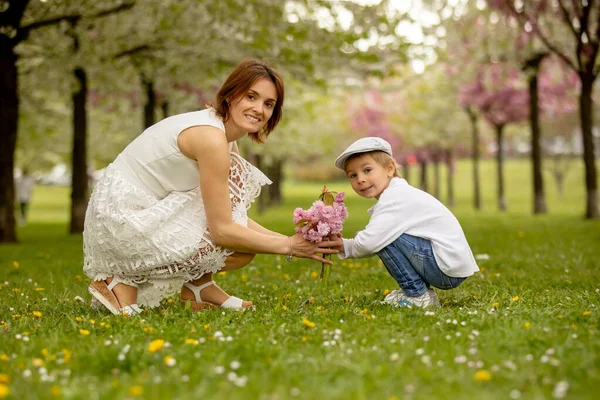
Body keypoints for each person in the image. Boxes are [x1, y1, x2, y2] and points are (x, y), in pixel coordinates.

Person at [83, 58, 341, 315]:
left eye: (268, 104)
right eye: (251, 96)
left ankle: (199, 287)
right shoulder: (211, 138)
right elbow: (223, 231)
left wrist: (302, 240)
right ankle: (119, 281)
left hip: (143, 211)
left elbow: (232, 217)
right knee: (236, 241)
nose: (259, 109)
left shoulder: (226, 140)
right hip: (120, 219)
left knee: (244, 245)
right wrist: (290, 246)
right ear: (230, 94)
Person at [331, 137, 479, 308]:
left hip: (445, 266)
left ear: (390, 168)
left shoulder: (395, 198)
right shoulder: (397, 194)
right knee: (381, 236)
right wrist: (348, 244)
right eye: (353, 175)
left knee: (384, 238)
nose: (360, 179)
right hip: (448, 263)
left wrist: (358, 241)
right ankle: (424, 295)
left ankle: (417, 294)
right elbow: (372, 240)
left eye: (367, 170)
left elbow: (371, 242)